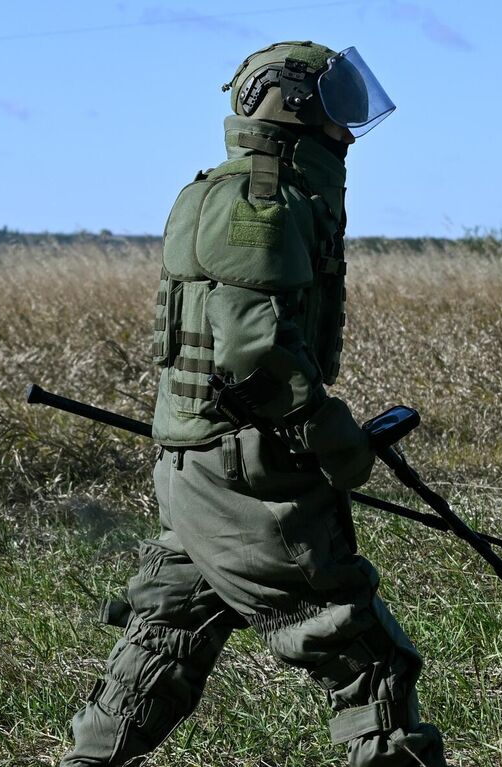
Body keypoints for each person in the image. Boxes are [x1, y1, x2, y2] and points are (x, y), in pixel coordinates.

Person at [60, 41, 444, 767]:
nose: (347, 126)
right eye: (338, 105)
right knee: (366, 660)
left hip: (193, 466)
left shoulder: (214, 189)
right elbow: (252, 355)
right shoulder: (264, 203)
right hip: (246, 476)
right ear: (293, 107)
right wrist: (338, 442)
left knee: (162, 642)